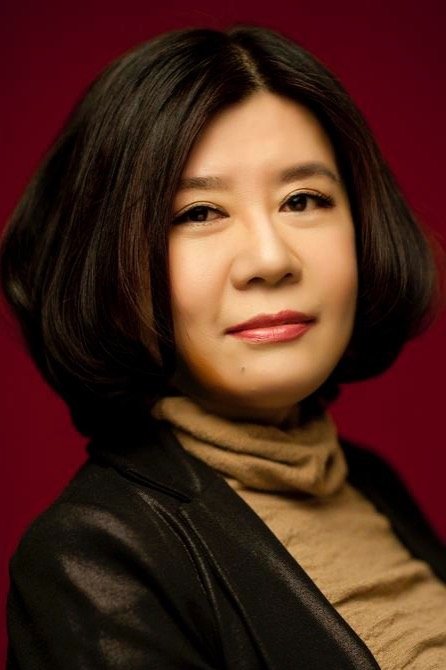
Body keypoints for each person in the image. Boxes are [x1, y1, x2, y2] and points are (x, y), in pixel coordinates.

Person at [2, 23, 445, 670]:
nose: (270, 259)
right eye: (199, 213)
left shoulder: (369, 483)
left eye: (303, 200)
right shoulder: (95, 557)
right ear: (108, 259)